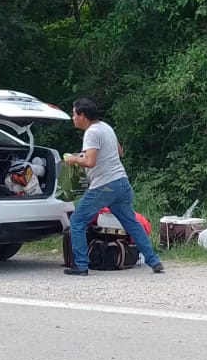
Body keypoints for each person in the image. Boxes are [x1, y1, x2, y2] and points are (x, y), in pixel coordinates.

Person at [61, 98, 163, 277]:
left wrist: (73, 159)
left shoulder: (91, 133)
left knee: (77, 221)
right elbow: (119, 152)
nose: (73, 118)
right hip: (122, 183)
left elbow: (90, 162)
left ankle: (81, 266)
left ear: (82, 116)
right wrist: (86, 156)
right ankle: (154, 261)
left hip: (104, 186)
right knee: (131, 223)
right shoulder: (106, 127)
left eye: (74, 114)